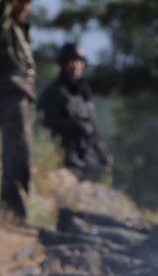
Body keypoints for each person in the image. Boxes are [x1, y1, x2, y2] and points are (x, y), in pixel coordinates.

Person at [0, 0, 35, 224]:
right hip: (9, 94)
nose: (26, 7)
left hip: (22, 97)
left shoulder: (19, 30)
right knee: (15, 154)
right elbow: (1, 8)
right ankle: (12, 214)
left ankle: (15, 213)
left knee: (22, 156)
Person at [38, 43, 113, 183]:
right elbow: (45, 125)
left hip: (87, 162)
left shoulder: (84, 96)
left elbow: (92, 129)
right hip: (64, 160)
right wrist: (73, 126)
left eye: (79, 62)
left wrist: (104, 156)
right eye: (71, 61)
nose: (75, 66)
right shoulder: (53, 93)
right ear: (63, 63)